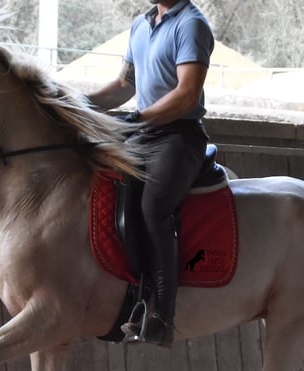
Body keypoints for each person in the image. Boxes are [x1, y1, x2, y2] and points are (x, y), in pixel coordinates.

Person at [86, 0, 214, 348]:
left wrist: (139, 119)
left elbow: (187, 94)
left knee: (153, 207)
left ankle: (161, 315)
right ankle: (125, 296)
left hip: (179, 136)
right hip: (145, 132)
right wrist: (78, 103)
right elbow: (124, 85)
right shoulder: (140, 25)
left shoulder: (191, 25)